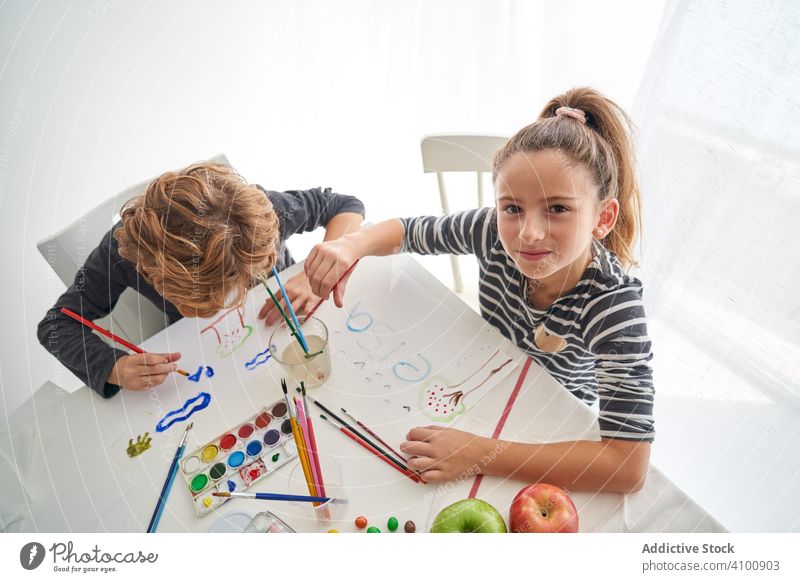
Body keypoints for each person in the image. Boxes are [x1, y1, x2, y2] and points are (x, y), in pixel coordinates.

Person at [304, 88, 654, 493]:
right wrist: (350, 245)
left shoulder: (615, 307)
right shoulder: (490, 230)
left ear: (603, 217)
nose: (528, 232)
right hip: (483, 380)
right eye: (512, 208)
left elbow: (627, 466)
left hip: (548, 419)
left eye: (558, 208)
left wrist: (480, 454)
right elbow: (407, 232)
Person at [38, 161, 365, 398]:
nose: (231, 301)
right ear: (153, 274)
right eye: (217, 296)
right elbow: (56, 325)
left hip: (293, 325)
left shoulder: (257, 214)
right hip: (214, 363)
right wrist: (113, 367)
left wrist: (312, 274)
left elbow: (345, 207)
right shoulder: (122, 252)